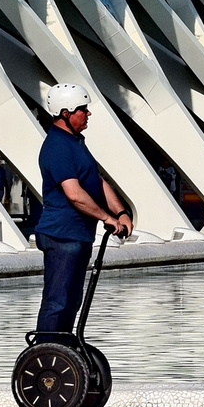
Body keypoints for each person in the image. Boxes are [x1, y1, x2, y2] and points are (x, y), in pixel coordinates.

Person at [34, 83, 132, 336]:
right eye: (83, 110)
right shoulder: (57, 147)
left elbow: (97, 181)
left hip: (78, 234)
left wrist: (121, 213)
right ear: (65, 113)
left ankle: (64, 353)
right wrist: (106, 218)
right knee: (58, 302)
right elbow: (75, 195)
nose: (88, 114)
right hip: (61, 234)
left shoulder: (76, 143)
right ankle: (46, 360)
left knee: (72, 302)